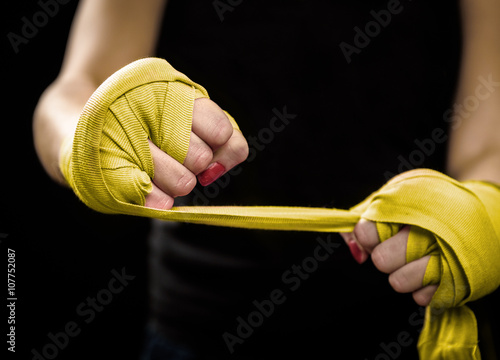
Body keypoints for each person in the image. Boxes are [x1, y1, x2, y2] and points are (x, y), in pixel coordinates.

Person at [33, 0, 500, 358]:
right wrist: (87, 143)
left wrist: (483, 207)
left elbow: (488, 142)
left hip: (406, 319)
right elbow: (75, 87)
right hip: (196, 327)